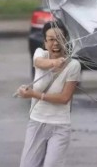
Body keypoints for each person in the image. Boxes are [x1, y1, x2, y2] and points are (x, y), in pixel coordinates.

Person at [17, 21, 81, 167]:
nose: (56, 43)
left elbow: (65, 98)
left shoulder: (74, 65)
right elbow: (39, 63)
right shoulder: (40, 54)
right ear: (45, 42)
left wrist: (34, 94)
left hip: (60, 126)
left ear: (66, 40)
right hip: (36, 122)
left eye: (60, 38)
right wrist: (54, 63)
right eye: (51, 39)